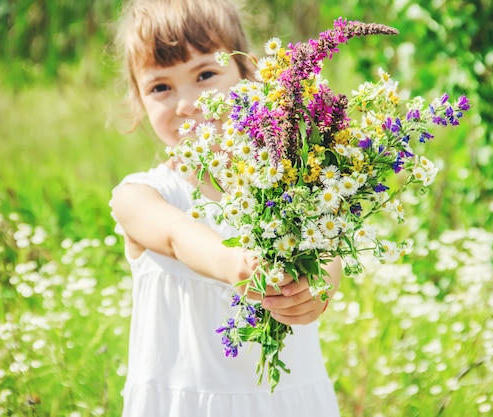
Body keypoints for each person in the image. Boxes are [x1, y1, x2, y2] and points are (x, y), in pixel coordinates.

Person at [109, 1, 342, 415]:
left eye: (205, 75)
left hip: (288, 401)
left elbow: (326, 254)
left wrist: (316, 290)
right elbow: (179, 237)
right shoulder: (142, 195)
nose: (186, 103)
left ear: (248, 74)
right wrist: (238, 263)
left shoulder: (289, 180)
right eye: (160, 87)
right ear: (138, 100)